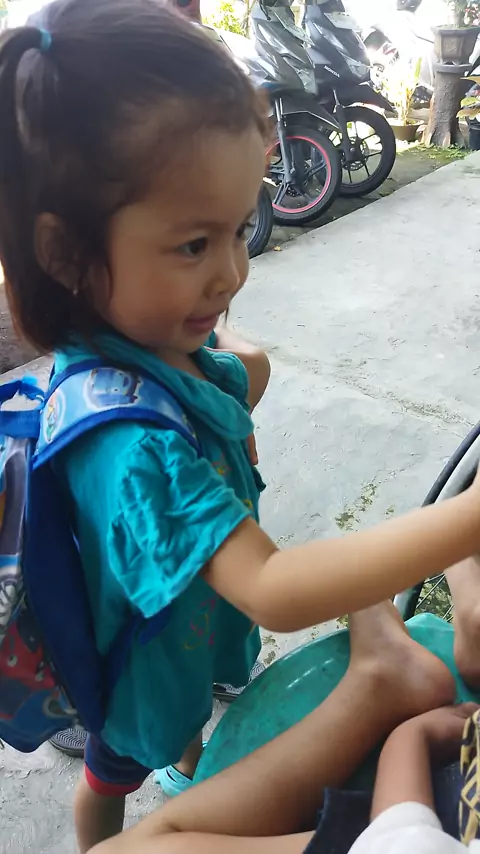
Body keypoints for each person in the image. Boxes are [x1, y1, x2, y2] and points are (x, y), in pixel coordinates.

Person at [2, 0, 480, 850]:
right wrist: (468, 518)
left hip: (189, 622)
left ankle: (190, 754)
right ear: (65, 255)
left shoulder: (151, 341)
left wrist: (233, 370)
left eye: (238, 228)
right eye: (194, 245)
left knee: (185, 720)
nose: (231, 272)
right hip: (139, 658)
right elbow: (273, 589)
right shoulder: (130, 445)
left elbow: (235, 376)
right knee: (113, 771)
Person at [87, 611, 478, 854]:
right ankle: (381, 682)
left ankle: (379, 685)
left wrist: (412, 738)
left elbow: (404, 834)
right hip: (438, 828)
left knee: (127, 846)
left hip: (412, 830)